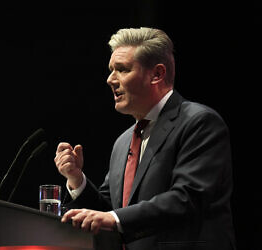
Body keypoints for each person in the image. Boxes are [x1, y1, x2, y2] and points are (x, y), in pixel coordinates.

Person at [54, 27, 236, 249]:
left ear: (156, 74)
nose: (111, 79)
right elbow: (108, 211)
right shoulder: (123, 142)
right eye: (111, 70)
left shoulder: (199, 122)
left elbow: (187, 197)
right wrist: (76, 179)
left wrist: (115, 218)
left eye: (122, 70)